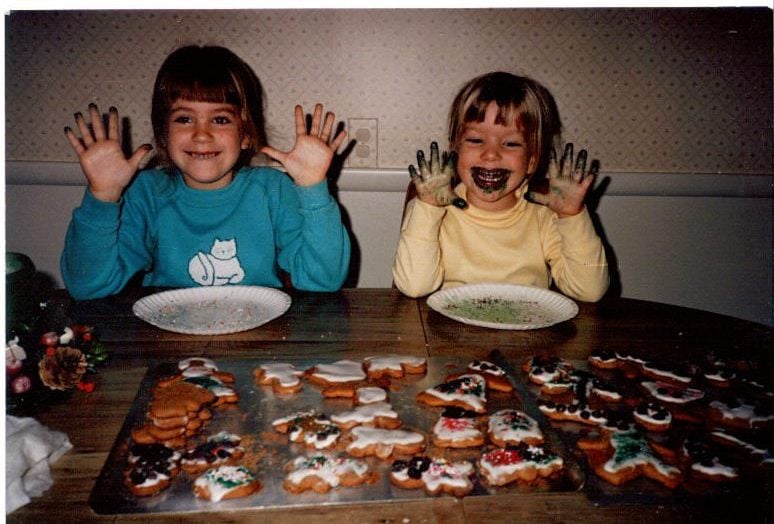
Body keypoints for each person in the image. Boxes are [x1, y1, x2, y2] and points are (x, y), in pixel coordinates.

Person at [61, 45, 350, 300]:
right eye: (185, 119)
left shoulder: (273, 190)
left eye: (221, 119)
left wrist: (313, 187)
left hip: (254, 343)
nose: (202, 134)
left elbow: (322, 281)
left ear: (246, 134)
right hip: (170, 345)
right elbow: (88, 287)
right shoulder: (146, 193)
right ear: (164, 133)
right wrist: (103, 196)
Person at [392, 71, 609, 301]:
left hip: (526, 333)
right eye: (476, 140)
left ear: (532, 160)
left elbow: (590, 290)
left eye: (511, 143)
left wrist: (571, 216)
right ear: (455, 149)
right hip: (452, 333)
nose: (490, 155)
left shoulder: (542, 216)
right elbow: (414, 286)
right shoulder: (434, 211)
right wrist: (428, 208)